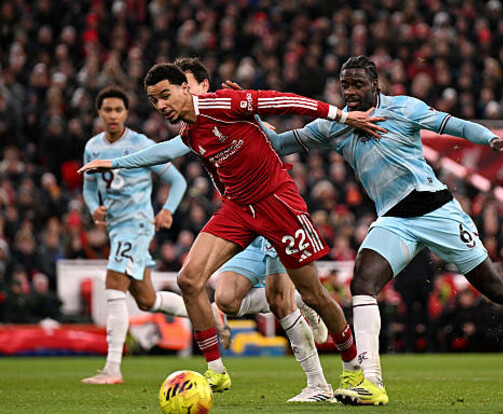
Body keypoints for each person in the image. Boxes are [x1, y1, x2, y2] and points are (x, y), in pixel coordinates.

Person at [263, 55, 503, 405]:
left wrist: (491, 139)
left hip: (436, 211)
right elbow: (280, 144)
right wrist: (248, 115)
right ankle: (372, 383)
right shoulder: (334, 125)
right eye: (345, 85)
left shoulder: (403, 108)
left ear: (375, 85)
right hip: (395, 221)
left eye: (358, 84)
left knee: (496, 290)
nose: (350, 92)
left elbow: (453, 125)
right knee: (362, 283)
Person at [78, 63, 385, 396]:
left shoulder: (224, 103)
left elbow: (286, 101)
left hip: (277, 203)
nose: (161, 105)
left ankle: (352, 369)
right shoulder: (189, 133)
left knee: (312, 294)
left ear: (186, 88)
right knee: (189, 280)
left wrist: (343, 116)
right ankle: (216, 371)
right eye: (154, 101)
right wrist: (114, 163)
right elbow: (161, 151)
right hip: (238, 209)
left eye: (166, 95)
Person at [174, 57, 332, 402]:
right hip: (241, 217)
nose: (181, 94)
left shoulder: (231, 107)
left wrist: (256, 118)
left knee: (280, 301)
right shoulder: (190, 130)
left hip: (273, 210)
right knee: (226, 301)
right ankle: (302, 299)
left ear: (203, 85)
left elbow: (275, 139)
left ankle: (318, 384)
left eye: (187, 86)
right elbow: (175, 155)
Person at [81, 85, 188, 384]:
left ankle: (112, 369)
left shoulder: (141, 144)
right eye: (108, 110)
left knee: (114, 282)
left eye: (118, 110)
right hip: (116, 228)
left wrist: (167, 210)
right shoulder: (92, 147)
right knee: (147, 300)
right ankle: (208, 312)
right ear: (99, 113)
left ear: (126, 113)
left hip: (138, 225)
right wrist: (93, 208)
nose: (113, 115)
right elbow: (89, 187)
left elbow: (178, 181)